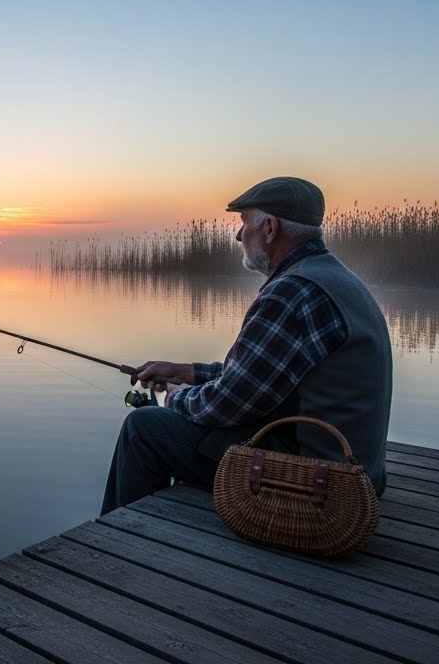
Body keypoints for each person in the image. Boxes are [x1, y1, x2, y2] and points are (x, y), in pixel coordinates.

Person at [102, 176, 393, 515]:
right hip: (356, 471)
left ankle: (120, 540)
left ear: (269, 228)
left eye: (243, 223)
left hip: (314, 483)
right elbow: (262, 376)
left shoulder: (292, 292)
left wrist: (171, 399)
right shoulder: (334, 277)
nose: (239, 235)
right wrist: (187, 372)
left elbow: (229, 403)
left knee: (145, 429)